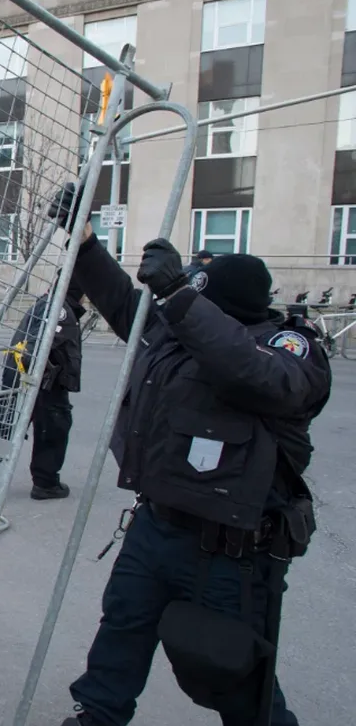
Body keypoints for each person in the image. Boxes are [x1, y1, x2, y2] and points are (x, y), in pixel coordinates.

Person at [48, 184, 330, 726]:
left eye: (199, 300)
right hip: (156, 528)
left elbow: (252, 374)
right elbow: (120, 301)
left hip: (230, 551)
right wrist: (83, 238)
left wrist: (180, 296)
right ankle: (97, 716)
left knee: (235, 673)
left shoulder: (289, 348)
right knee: (120, 634)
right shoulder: (179, 329)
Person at [0, 277, 85, 500]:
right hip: (40, 380)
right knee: (52, 427)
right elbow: (36, 347)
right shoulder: (59, 309)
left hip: (30, 377)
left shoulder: (49, 303)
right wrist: (42, 376)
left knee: (14, 426)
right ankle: (44, 482)